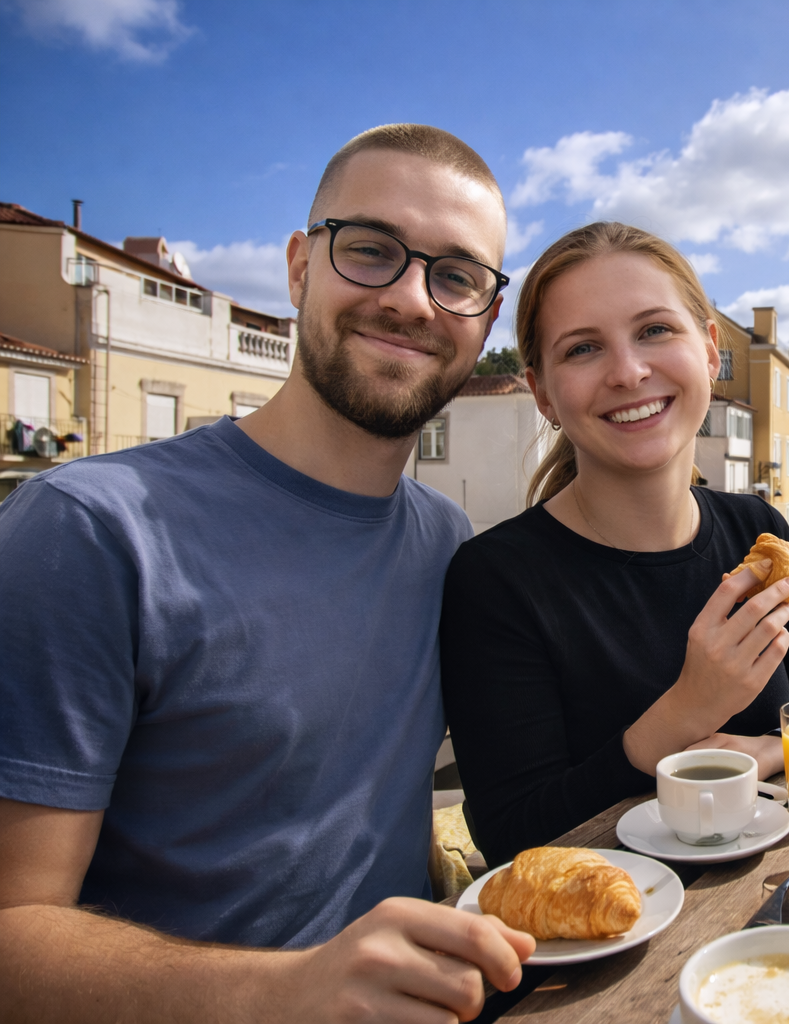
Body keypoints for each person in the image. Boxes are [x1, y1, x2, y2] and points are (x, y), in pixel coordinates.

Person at [0, 124, 535, 1022]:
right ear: (298, 268)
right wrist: (286, 992)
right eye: (370, 251)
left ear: (484, 321)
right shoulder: (91, 531)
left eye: (457, 277)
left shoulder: (444, 541)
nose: (411, 299)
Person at [440, 222, 789, 865]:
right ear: (543, 391)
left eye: (655, 330)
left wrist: (765, 752)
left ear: (710, 351)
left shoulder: (757, 534)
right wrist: (685, 713)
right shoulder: (496, 579)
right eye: (582, 349)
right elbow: (510, 838)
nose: (629, 372)